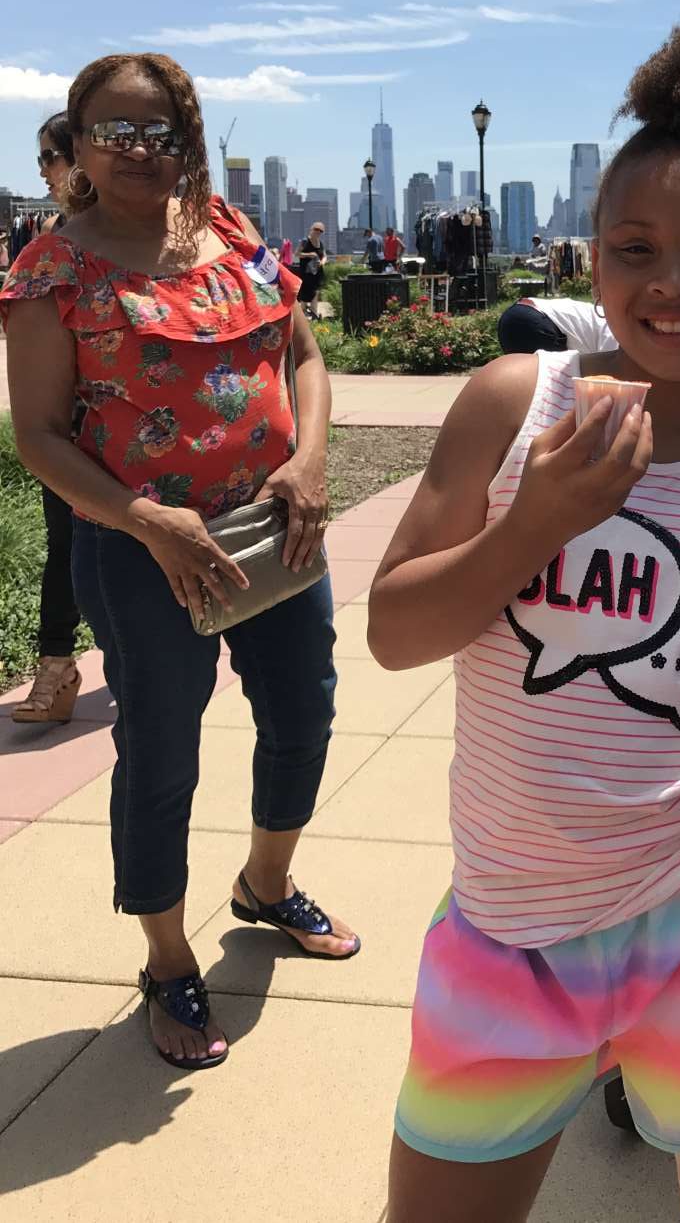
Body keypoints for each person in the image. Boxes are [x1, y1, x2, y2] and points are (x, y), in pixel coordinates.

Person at [368, 23, 680, 1223]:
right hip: (511, 923)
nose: (670, 282)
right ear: (593, 264)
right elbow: (391, 630)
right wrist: (535, 521)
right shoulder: (513, 407)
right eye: (634, 249)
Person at [1, 52, 358, 1073]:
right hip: (145, 554)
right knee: (161, 752)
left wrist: (310, 457)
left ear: (186, 143)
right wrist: (149, 521)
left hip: (273, 532)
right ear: (75, 142)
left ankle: (263, 883)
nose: (140, 152)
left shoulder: (233, 236)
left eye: (161, 134)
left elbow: (302, 356)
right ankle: (164, 958)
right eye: (116, 131)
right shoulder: (51, 271)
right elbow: (38, 436)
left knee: (305, 714)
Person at [11, 112, 85, 726]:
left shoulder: (148, 235)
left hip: (138, 436)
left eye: (48, 157)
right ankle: (56, 666)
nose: (41, 169)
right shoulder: (45, 245)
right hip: (66, 432)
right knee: (64, 544)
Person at [496, 294, 615, 355]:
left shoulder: (602, 315)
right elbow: (610, 370)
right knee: (557, 387)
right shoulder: (613, 329)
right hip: (536, 321)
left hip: (513, 314)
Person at [296, 221, 327, 317]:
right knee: (306, 293)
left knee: (316, 292)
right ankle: (302, 313)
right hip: (306, 273)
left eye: (320, 230)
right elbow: (297, 254)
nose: (318, 232)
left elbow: (325, 256)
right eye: (316, 229)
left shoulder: (320, 243)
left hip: (317, 272)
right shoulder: (305, 241)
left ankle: (314, 313)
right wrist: (310, 255)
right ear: (311, 229)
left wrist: (322, 262)